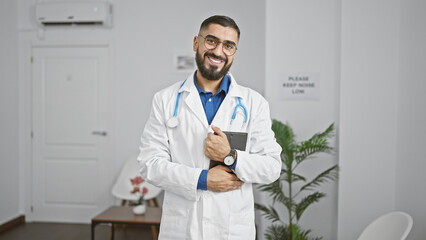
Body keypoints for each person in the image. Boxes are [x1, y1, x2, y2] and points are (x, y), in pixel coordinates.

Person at [137, 15, 282, 240]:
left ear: (234, 52)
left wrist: (230, 156)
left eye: (228, 45)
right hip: (182, 228)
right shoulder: (165, 100)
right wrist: (202, 180)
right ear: (196, 43)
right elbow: (150, 164)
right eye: (211, 41)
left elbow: (272, 167)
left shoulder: (254, 103)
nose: (218, 51)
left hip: (232, 229)